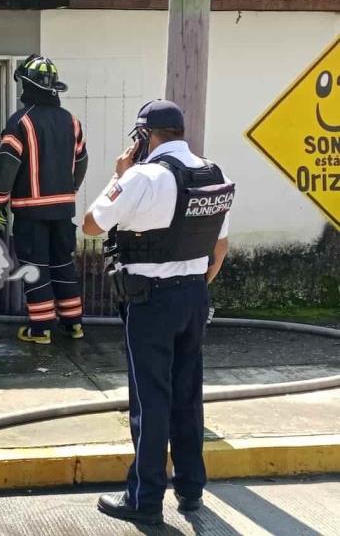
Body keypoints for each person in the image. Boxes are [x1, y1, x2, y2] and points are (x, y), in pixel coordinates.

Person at [82, 100, 234, 524]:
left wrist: (119, 174)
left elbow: (91, 224)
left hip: (150, 302)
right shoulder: (212, 174)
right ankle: (190, 491)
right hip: (193, 295)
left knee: (150, 402)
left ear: (145, 137)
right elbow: (219, 247)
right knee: (187, 395)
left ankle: (144, 500)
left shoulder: (141, 177)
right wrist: (194, 287)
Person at [0, 55, 89, 345]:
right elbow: (82, 161)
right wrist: (69, 189)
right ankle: (74, 325)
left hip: (30, 212)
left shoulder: (21, 121)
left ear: (25, 84)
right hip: (63, 210)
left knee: (35, 267)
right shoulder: (72, 121)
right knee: (62, 264)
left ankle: (40, 328)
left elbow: (7, 164)